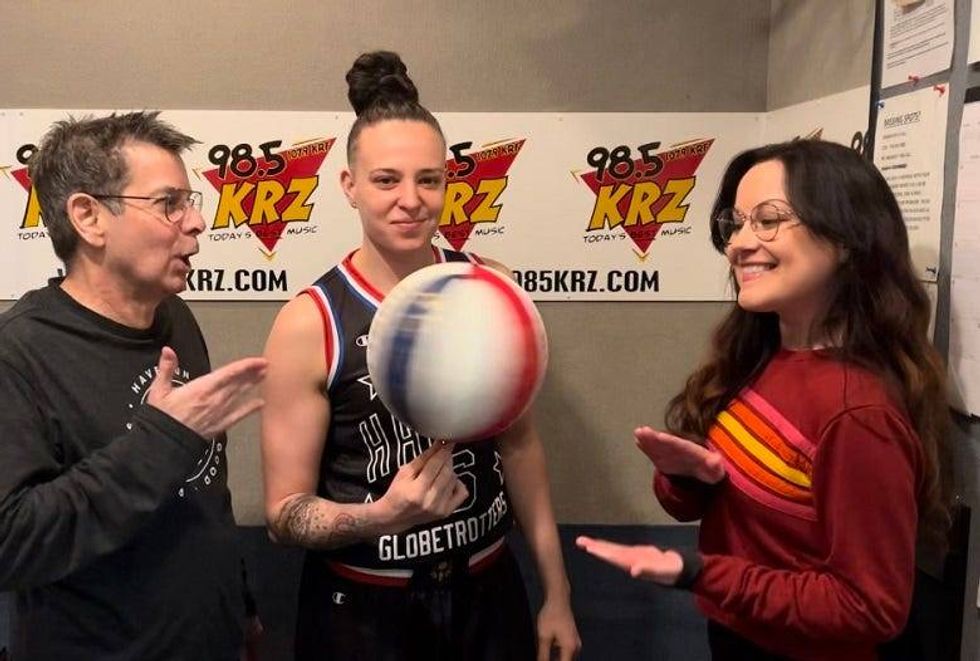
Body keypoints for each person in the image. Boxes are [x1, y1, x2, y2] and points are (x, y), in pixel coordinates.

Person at [577, 140, 951, 660]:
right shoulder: (760, 354)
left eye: (769, 220)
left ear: (844, 239)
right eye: (737, 222)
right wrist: (691, 478)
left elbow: (870, 606)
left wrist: (702, 573)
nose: (738, 244)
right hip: (739, 636)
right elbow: (730, 511)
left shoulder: (858, 414)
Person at [261, 51, 580, 661]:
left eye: (428, 179)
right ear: (349, 187)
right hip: (362, 610)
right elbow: (283, 515)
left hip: (488, 591)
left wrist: (557, 592)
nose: (411, 200)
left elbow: (520, 447)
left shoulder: (491, 287)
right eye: (386, 180)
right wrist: (381, 517)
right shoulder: (311, 322)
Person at [0, 112, 267, 660]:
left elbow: (203, 493)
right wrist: (160, 438)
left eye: (191, 201)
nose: (195, 222)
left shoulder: (175, 318)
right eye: (169, 203)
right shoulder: (19, 353)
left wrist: (239, 606)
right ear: (89, 217)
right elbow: (12, 543)